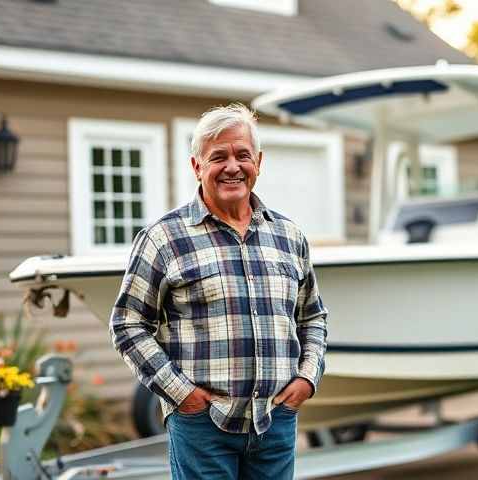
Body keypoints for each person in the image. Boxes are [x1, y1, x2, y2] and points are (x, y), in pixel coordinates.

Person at [109, 103, 328, 479]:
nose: (232, 166)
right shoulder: (163, 238)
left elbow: (312, 316)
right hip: (202, 428)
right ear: (197, 167)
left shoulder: (289, 236)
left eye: (243, 155)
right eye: (218, 156)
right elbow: (127, 324)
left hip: (275, 423)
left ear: (258, 162)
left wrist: (307, 378)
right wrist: (181, 395)